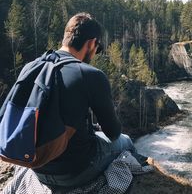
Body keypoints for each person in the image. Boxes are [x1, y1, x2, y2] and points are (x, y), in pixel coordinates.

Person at [32, 12, 137, 188]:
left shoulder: (35, 66)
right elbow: (113, 133)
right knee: (125, 141)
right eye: (98, 48)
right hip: (74, 173)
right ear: (91, 43)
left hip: (37, 168)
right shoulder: (90, 75)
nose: (96, 53)